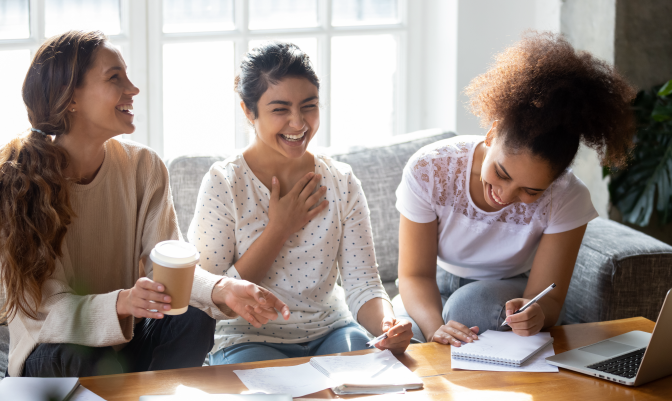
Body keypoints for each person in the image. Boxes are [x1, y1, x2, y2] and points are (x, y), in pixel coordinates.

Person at [0, 30, 289, 378]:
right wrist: (123, 302)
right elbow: (48, 314)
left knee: (194, 317)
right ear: (70, 98)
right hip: (52, 353)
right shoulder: (17, 187)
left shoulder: (143, 167)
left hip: (122, 349)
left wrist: (222, 288)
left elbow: (165, 270)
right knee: (76, 356)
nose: (133, 89)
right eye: (114, 78)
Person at [392, 31, 637, 346]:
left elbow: (547, 300)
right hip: (435, 282)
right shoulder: (431, 169)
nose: (505, 197)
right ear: (492, 134)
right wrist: (432, 328)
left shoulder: (567, 197)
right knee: (398, 329)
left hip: (503, 289)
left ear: (556, 179)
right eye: (502, 173)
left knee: (470, 308)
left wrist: (534, 313)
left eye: (531, 192)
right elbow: (414, 276)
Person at [189, 42, 413, 365]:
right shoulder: (224, 183)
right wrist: (278, 229)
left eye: (309, 106)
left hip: (334, 331)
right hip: (247, 339)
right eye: (280, 109)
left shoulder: (341, 181)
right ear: (248, 111)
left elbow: (364, 284)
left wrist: (387, 324)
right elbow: (210, 297)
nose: (298, 123)